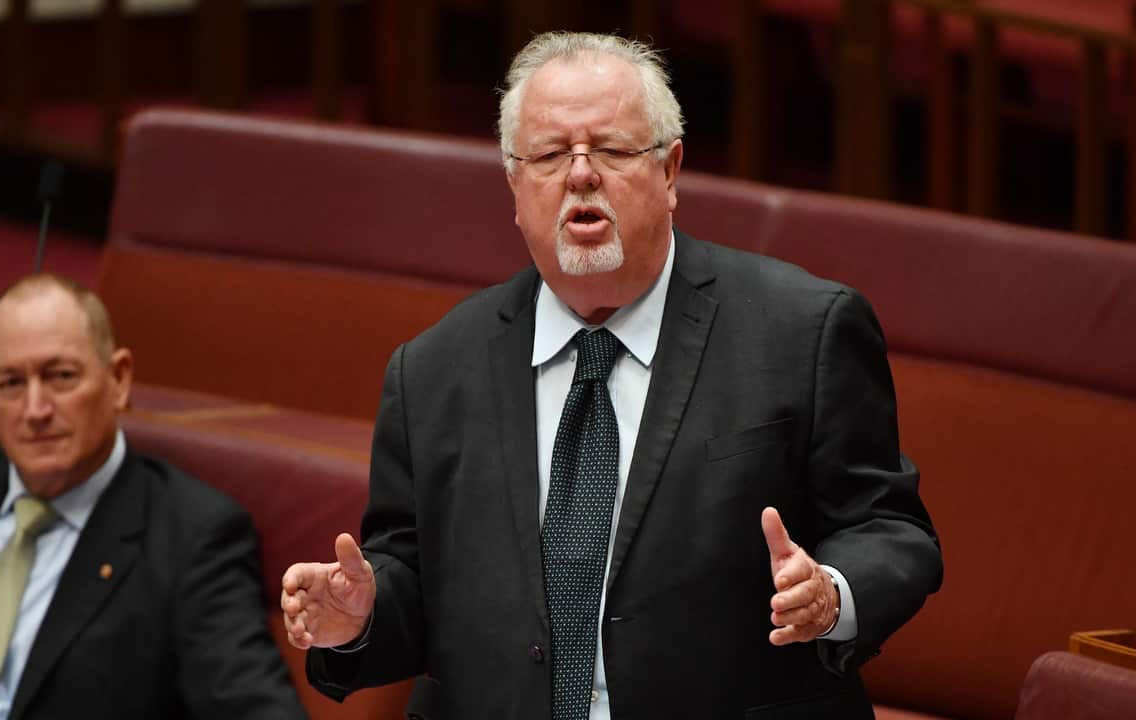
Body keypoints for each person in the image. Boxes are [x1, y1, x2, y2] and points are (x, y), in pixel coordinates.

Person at [282, 31, 942, 719]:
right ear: (513, 184)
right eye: (547, 155)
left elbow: (891, 528)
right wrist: (358, 618)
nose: (579, 174)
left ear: (671, 170)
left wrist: (832, 593)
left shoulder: (801, 331)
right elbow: (415, 580)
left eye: (612, 149)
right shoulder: (433, 370)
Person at [0, 274, 306, 720]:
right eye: (10, 384)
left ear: (119, 379)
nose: (35, 410)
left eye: (60, 377)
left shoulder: (192, 538)